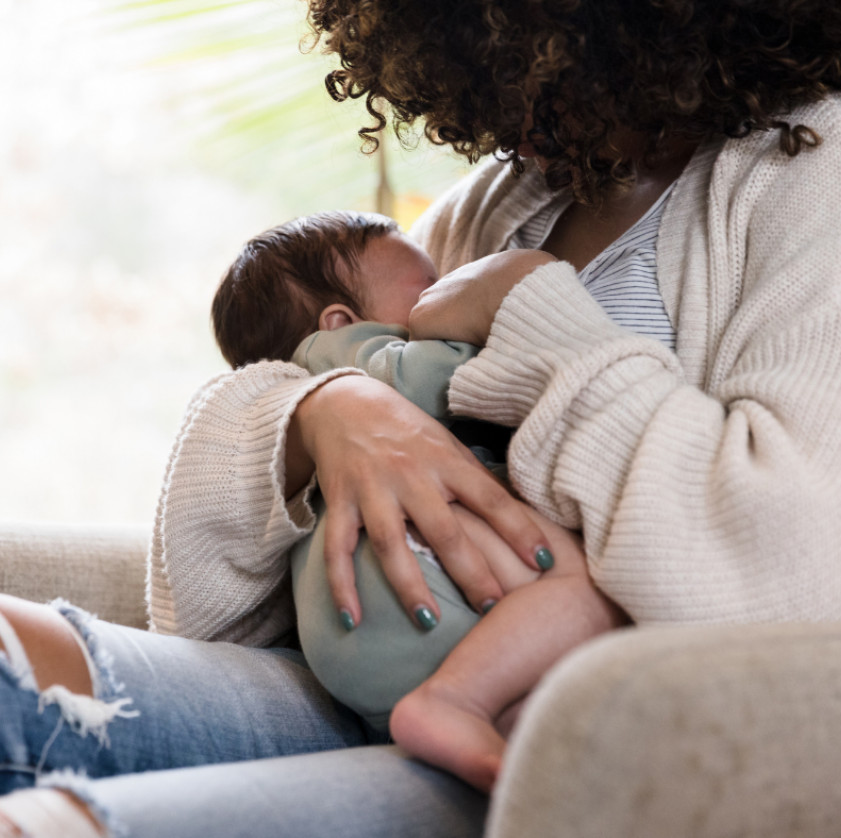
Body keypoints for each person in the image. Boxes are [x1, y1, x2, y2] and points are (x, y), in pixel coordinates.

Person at [0, 1, 841, 836]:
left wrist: (530, 305)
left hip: (576, 744)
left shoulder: (838, 163)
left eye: (527, 73)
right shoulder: (508, 195)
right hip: (368, 692)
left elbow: (789, 578)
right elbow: (203, 597)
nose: (500, 120)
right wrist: (325, 410)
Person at [210, 208, 625, 789]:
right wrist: (499, 305)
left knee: (529, 738)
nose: (442, 297)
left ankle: (465, 719)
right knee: (588, 588)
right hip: (405, 587)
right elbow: (447, 376)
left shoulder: (317, 382)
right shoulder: (353, 359)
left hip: (351, 636)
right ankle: (452, 700)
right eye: (429, 289)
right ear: (340, 321)